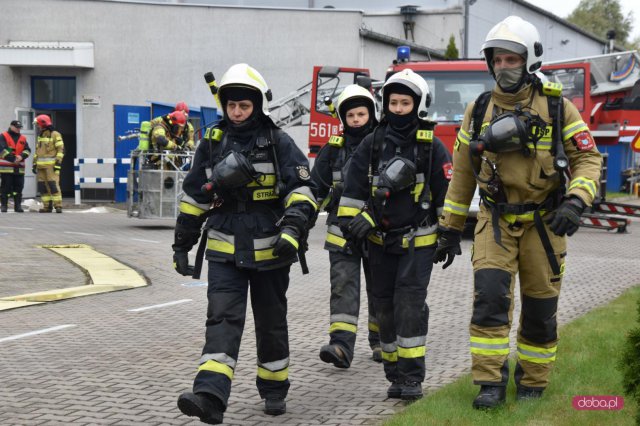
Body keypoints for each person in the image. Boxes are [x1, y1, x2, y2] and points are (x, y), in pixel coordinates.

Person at [434, 16, 603, 409]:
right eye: (498, 59)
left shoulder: (558, 107)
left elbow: (588, 159)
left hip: (545, 224)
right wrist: (449, 228)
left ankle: (534, 382)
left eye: (512, 59)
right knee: (490, 301)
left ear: (530, 61)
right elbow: (462, 173)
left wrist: (576, 202)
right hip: (494, 222)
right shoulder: (478, 110)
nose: (504, 67)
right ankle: (489, 383)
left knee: (541, 307)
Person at [172, 63, 317, 424]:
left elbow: (303, 192)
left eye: (244, 106)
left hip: (272, 249)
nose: (236, 112)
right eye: (231, 105)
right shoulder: (213, 142)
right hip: (223, 248)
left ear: (258, 105)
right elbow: (194, 198)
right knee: (222, 320)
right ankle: (210, 397)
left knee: (271, 322)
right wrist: (181, 244)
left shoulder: (278, 142)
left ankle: (274, 388)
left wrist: (294, 231)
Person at [338, 69, 452, 400]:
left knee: (409, 306)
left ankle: (413, 378)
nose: (398, 108)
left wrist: (449, 233)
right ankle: (394, 372)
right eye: (393, 102)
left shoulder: (431, 146)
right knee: (383, 309)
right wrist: (354, 223)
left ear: (418, 105)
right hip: (379, 243)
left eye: (405, 102)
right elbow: (351, 192)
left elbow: (448, 194)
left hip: (419, 241)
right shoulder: (372, 143)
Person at [311, 84, 381, 368]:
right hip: (341, 233)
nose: (356, 120)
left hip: (377, 231)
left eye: (361, 114)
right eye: (350, 114)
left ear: (372, 114)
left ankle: (380, 342)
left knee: (380, 289)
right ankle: (341, 346)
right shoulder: (333, 150)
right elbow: (315, 188)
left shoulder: (383, 144)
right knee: (343, 288)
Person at [33, 114, 64, 213]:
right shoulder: (41, 135)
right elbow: (38, 151)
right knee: (42, 186)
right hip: (40, 166)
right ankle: (47, 206)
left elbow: (61, 149)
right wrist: (34, 163)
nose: (37, 126)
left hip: (51, 165)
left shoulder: (55, 134)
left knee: (53, 185)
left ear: (43, 123)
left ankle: (58, 206)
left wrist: (58, 162)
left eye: (38, 124)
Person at [0, 120, 31, 212]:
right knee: (6, 187)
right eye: (17, 127)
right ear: (11, 126)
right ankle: (4, 206)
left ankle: (18, 206)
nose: (18, 129)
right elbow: (2, 150)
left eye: (19, 127)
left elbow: (27, 150)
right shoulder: (3, 136)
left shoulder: (23, 138)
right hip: (7, 168)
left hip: (19, 169)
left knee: (19, 187)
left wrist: (21, 156)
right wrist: (14, 159)